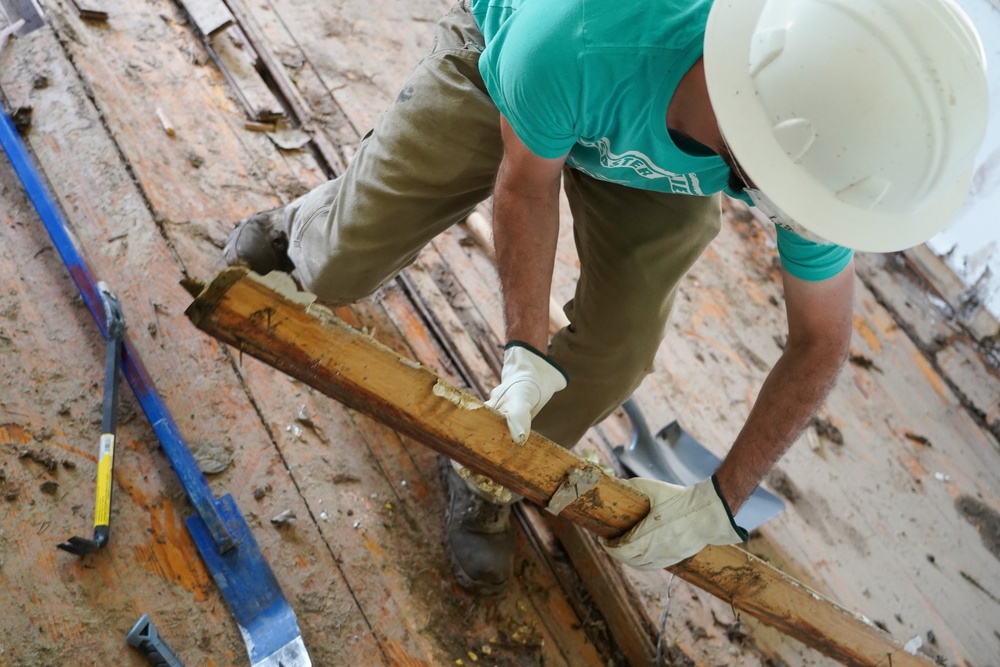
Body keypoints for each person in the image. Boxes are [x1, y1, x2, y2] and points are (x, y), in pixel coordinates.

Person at [224, 0, 989, 593]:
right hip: (512, 68)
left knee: (621, 345)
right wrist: (523, 347)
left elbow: (820, 337)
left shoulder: (819, 142)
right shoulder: (579, 31)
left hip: (656, 150)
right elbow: (527, 183)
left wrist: (721, 500)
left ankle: (490, 467)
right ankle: (299, 232)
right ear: (754, 117)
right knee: (341, 265)